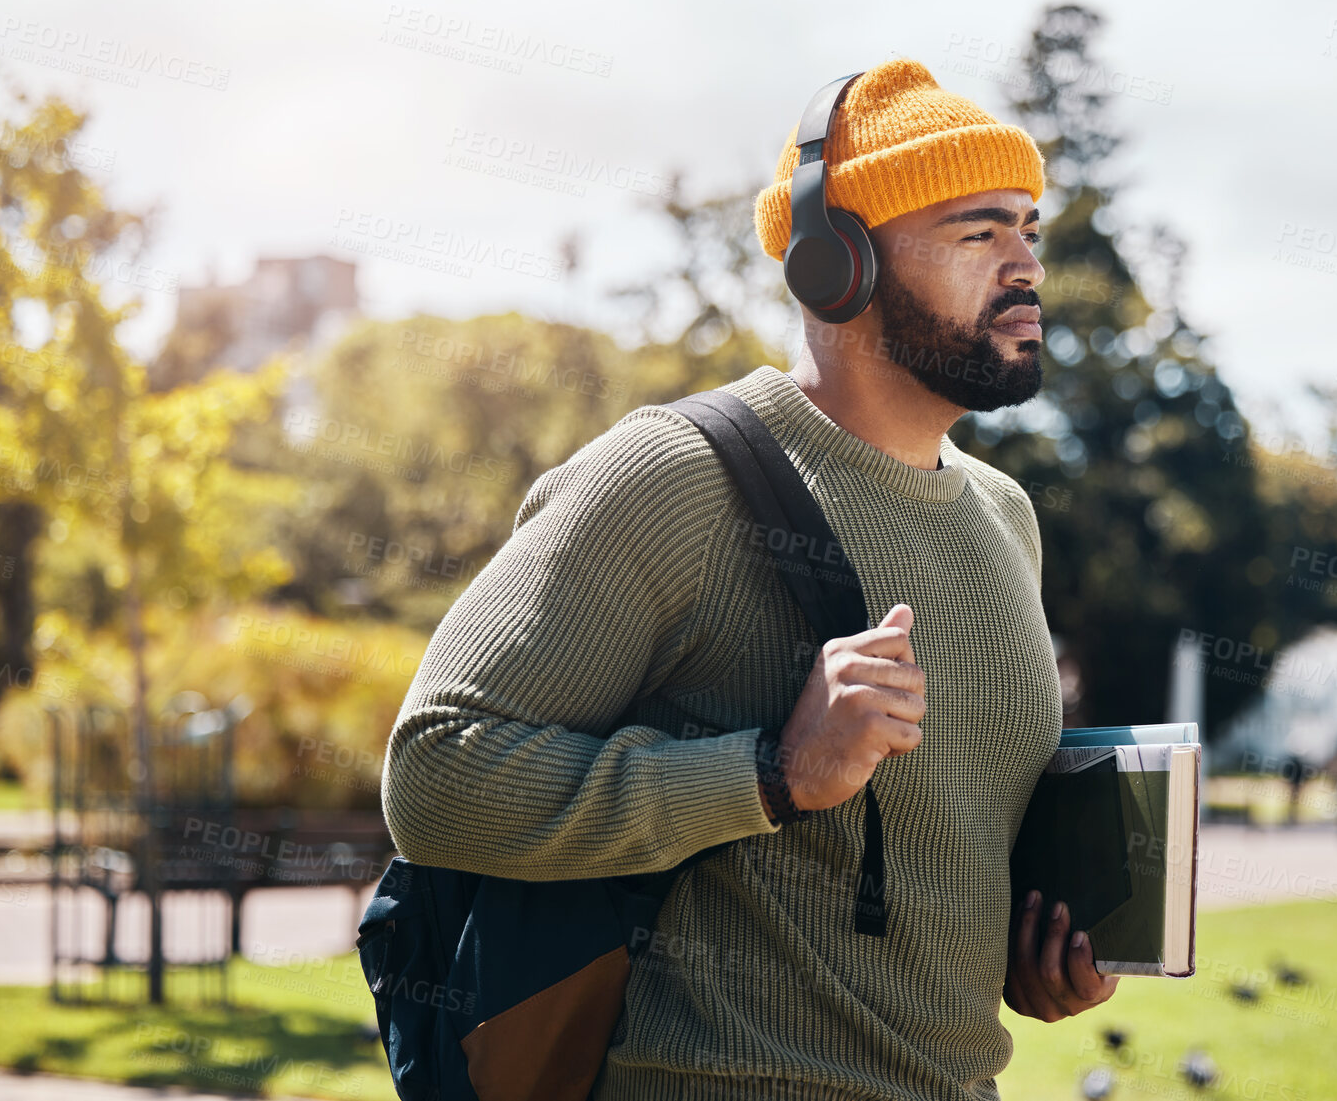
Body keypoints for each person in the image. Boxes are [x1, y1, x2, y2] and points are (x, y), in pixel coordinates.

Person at [379, 56, 1117, 1101]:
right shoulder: (674, 476)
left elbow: (915, 868)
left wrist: (1030, 957)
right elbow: (438, 772)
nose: (1027, 265)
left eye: (1030, 229)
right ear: (836, 267)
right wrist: (769, 773)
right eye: (979, 231)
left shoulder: (1006, 517)